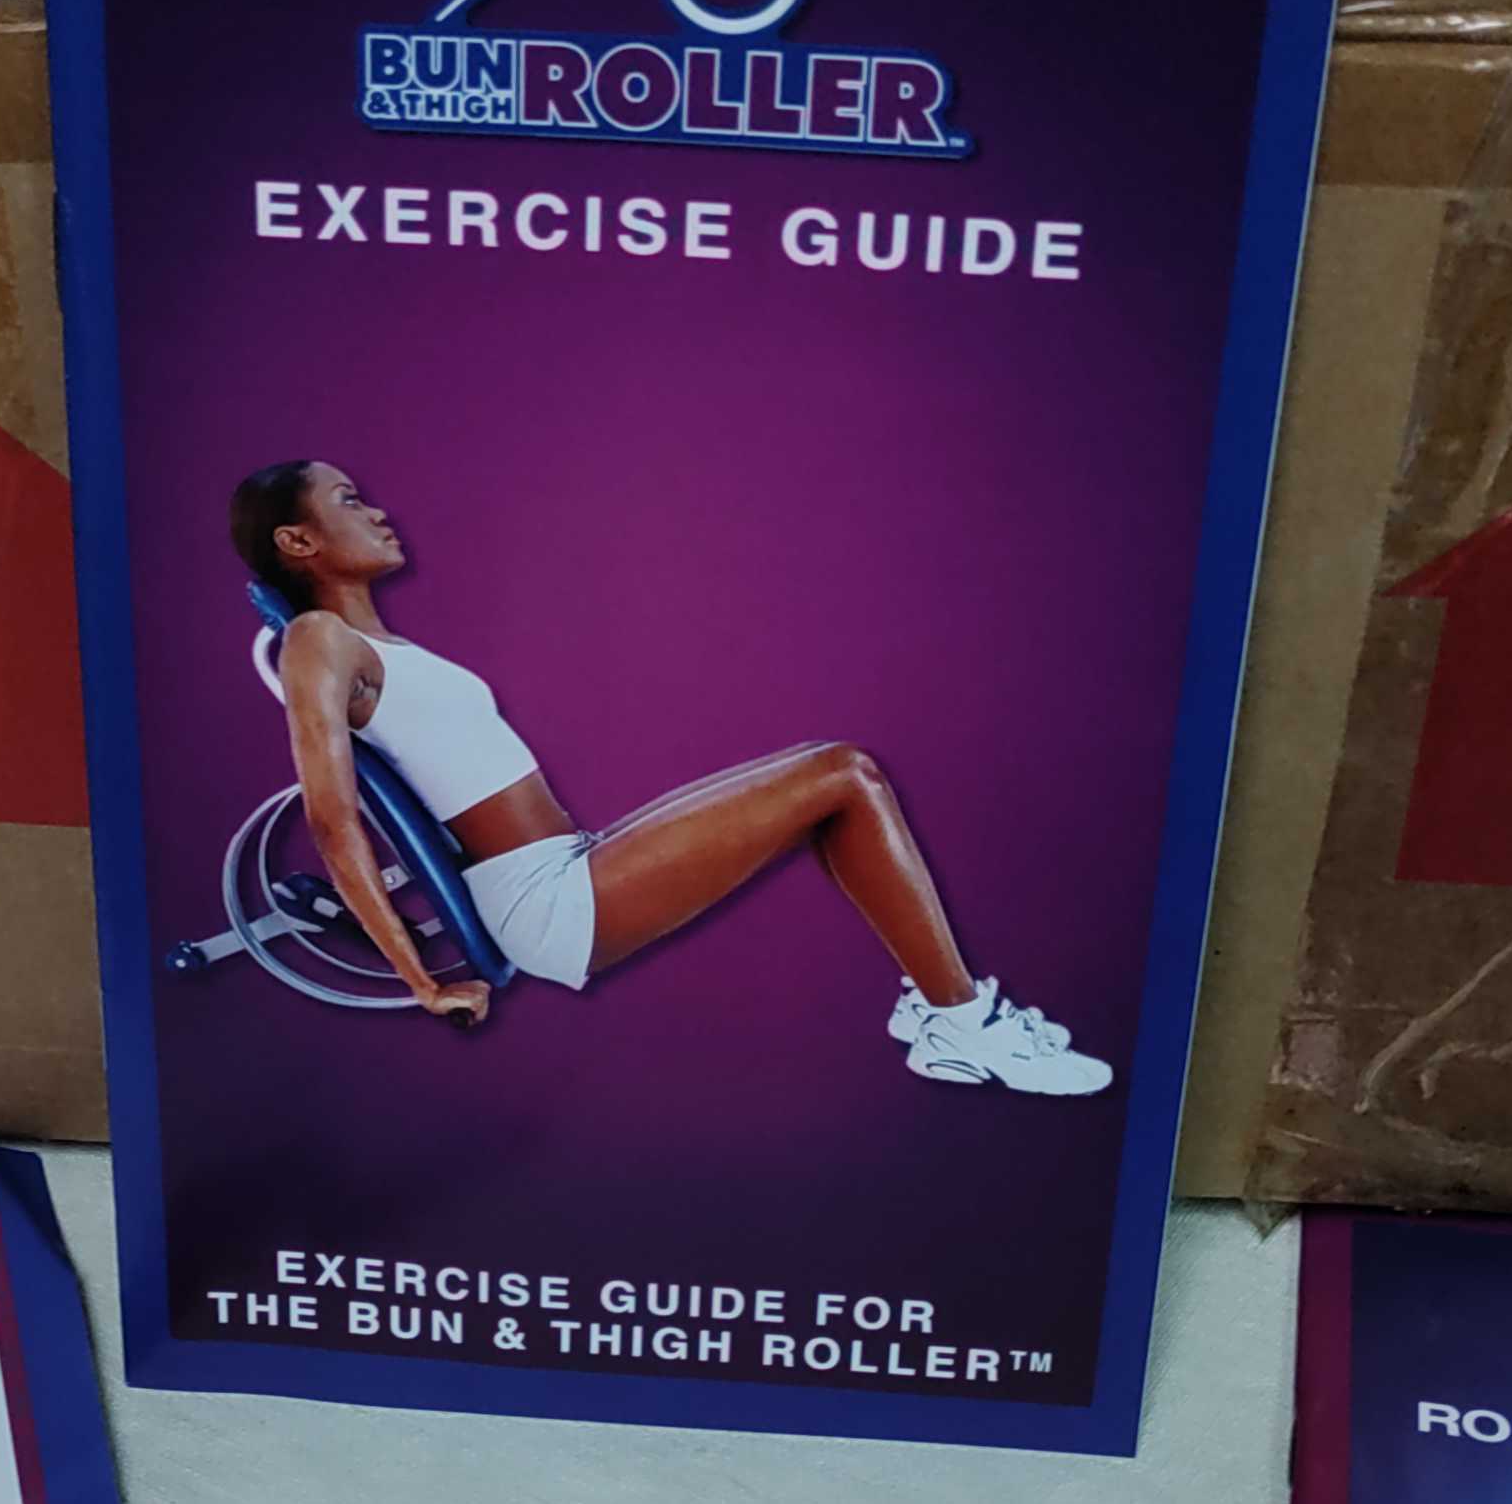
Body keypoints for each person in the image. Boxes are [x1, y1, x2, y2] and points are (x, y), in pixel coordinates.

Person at [229, 459, 1112, 1094]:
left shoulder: (375, 644)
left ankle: (939, 1015)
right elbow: (334, 822)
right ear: (297, 539)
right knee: (843, 772)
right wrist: (424, 985)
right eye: (348, 501)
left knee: (835, 780)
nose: (378, 511)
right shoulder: (317, 639)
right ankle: (963, 1022)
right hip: (548, 903)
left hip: (571, 860)